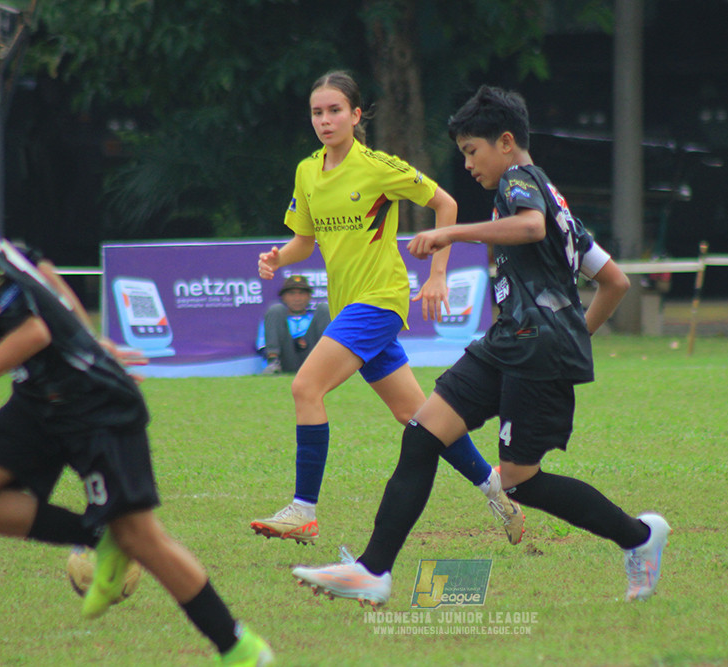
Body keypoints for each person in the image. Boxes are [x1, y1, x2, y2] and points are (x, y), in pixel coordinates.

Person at [291, 85, 671, 607]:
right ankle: (371, 571)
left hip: (536, 351)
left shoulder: (520, 184)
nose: (467, 164)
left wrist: (452, 236)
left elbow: (531, 226)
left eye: (472, 151)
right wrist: (574, 335)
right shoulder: (558, 202)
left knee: (520, 484)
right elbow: (615, 281)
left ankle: (639, 537)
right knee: (422, 434)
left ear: (507, 142)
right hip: (509, 342)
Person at [0, 220, 273, 666]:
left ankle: (241, 650)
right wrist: (89, 337)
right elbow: (36, 263)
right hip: (39, 397)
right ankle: (98, 535)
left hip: (92, 400)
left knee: (141, 537)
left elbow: (33, 333)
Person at [251, 71, 521, 546]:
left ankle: (304, 510)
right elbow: (304, 241)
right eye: (318, 112)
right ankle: (496, 489)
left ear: (356, 116)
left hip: (379, 301)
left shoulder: (379, 167)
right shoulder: (307, 171)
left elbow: (446, 204)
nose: (326, 120)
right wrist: (279, 256)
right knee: (419, 417)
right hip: (347, 308)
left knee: (305, 386)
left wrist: (437, 274)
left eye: (336, 110)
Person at [259, 274, 330, 375]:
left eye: (301, 293)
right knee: (276, 309)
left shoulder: (316, 318)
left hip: (315, 359)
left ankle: (329, 365)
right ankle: (273, 364)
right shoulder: (275, 317)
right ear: (283, 297)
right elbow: (262, 346)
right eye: (292, 294)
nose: (297, 298)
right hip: (285, 360)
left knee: (324, 308)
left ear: (309, 296)